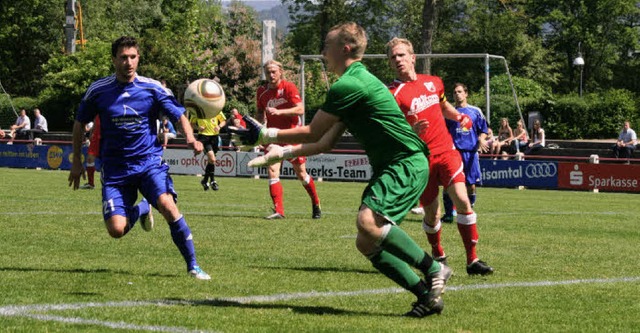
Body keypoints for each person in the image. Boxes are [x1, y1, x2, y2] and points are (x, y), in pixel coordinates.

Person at [235, 22, 451, 318]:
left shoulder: (349, 84)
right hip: (396, 164)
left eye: (327, 45)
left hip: (405, 162)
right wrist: (281, 153)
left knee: (367, 222)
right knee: (366, 242)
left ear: (344, 49)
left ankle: (434, 268)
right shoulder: (354, 82)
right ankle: (426, 296)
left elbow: (312, 131)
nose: (323, 52)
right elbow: (325, 142)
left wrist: (266, 136)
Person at [68, 36, 211, 280]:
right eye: (123, 57)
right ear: (114, 60)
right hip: (115, 170)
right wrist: (77, 162)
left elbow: (179, 115)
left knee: (168, 206)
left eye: (132, 57)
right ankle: (144, 207)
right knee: (116, 230)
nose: (128, 62)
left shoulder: (152, 88)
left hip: (148, 163)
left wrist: (190, 138)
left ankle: (193, 266)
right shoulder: (99, 90)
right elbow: (80, 123)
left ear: (138, 58)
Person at [386, 37, 493, 276]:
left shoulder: (434, 83)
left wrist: (459, 117)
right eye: (393, 57)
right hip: (421, 159)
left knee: (463, 201)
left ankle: (472, 261)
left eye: (402, 55)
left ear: (413, 58)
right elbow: (390, 131)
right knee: (432, 214)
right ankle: (438, 254)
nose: (398, 60)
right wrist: (410, 131)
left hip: (446, 151)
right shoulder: (392, 95)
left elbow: (443, 107)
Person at [256, 59, 321, 219]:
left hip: (292, 135)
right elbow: (259, 112)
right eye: (268, 72)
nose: (271, 75)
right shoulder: (261, 92)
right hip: (273, 137)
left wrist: (280, 112)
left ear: (280, 72)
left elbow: (300, 109)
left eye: (274, 71)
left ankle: (316, 202)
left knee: (301, 174)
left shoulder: (289, 87)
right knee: (272, 171)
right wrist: (258, 129)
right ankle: (279, 211)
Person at [441, 83, 489, 222]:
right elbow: (443, 132)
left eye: (460, 91)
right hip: (453, 153)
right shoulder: (449, 113)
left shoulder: (475, 111)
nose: (457, 94)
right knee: (448, 184)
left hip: (471, 153)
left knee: (470, 184)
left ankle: (469, 210)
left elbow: (483, 130)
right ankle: (449, 214)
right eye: (455, 92)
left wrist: (481, 139)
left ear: (466, 93)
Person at [191, 110, 226, 191]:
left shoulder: (215, 108)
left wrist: (219, 126)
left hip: (214, 137)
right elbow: (191, 124)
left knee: (211, 161)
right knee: (213, 159)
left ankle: (205, 180)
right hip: (203, 137)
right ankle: (213, 181)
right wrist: (198, 127)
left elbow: (223, 121)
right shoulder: (196, 111)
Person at [80, 115, 100, 190]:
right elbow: (95, 122)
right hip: (96, 137)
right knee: (90, 158)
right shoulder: (97, 109)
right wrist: (91, 133)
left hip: (105, 136)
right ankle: (91, 183)